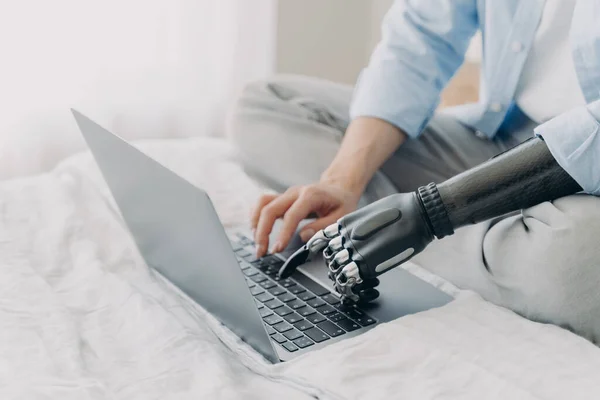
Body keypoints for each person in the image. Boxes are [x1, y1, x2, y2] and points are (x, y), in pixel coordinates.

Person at [227, 0, 600, 341]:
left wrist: (431, 214)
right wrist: (343, 180)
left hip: (588, 181)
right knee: (268, 104)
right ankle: (382, 228)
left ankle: (395, 233)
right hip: (500, 141)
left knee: (580, 264)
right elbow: (420, 36)